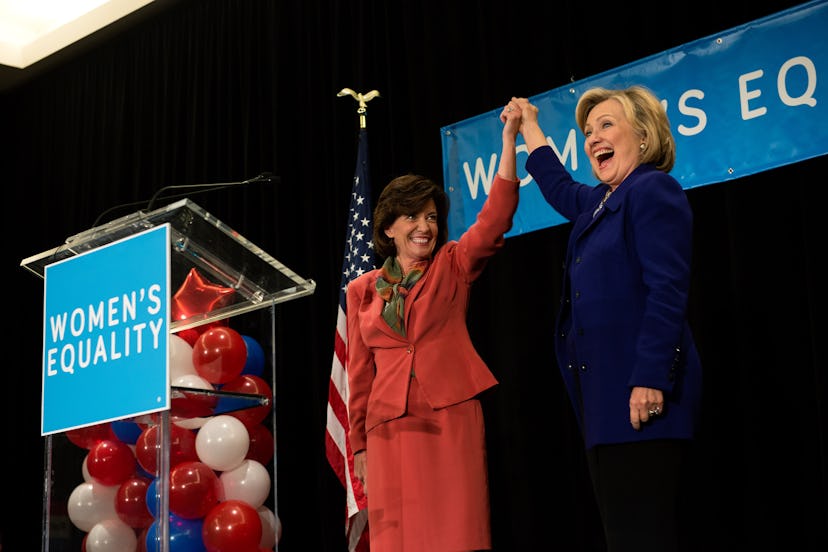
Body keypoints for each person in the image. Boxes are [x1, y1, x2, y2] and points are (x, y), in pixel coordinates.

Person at [513, 87, 702, 552]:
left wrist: (652, 379)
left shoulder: (652, 189)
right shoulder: (601, 201)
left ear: (642, 136)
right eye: (588, 131)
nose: (593, 137)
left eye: (606, 125)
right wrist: (529, 125)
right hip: (604, 407)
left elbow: (667, 291)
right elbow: (558, 187)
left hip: (644, 397)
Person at [345, 100, 522, 551]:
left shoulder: (452, 264)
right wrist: (358, 444)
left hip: (448, 414)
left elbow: (495, 219)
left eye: (431, 216)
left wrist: (508, 142)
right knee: (399, 540)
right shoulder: (362, 290)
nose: (425, 226)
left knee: (455, 533)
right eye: (412, 216)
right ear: (388, 228)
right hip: (387, 430)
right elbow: (358, 375)